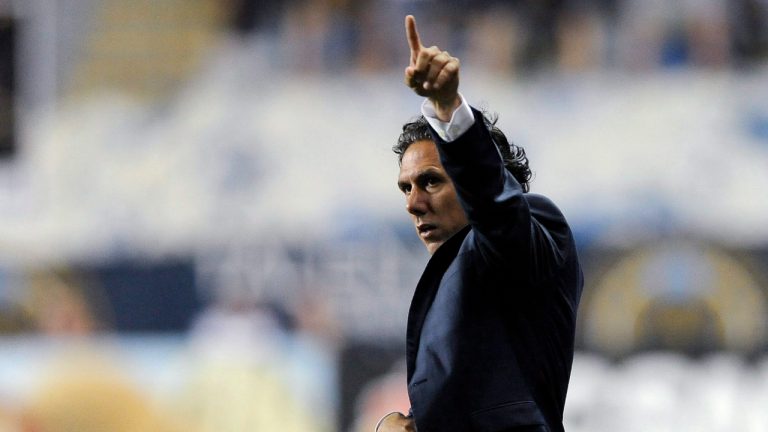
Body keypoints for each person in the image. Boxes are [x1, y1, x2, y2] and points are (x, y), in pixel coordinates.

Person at [375, 15, 584, 432]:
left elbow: (496, 206)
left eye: (431, 182)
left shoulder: (533, 230)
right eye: (405, 188)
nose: (413, 204)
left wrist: (450, 110)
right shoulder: (456, 277)